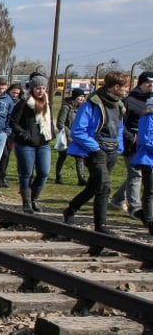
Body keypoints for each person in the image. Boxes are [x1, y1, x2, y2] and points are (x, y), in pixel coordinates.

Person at [64, 70, 130, 233]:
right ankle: (101, 226)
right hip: (96, 150)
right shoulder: (92, 104)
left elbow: (119, 128)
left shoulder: (119, 105)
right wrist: (95, 148)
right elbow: (78, 130)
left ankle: (71, 209)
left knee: (94, 186)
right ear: (116, 87)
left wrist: (119, 147)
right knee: (104, 186)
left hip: (112, 150)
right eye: (125, 87)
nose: (127, 90)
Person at [8, 74, 55, 213]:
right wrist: (24, 134)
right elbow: (13, 121)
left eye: (43, 88)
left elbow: (49, 120)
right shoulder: (24, 102)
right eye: (38, 88)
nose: (41, 91)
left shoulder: (47, 102)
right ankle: (27, 202)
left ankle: (34, 198)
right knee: (26, 173)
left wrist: (51, 132)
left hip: (43, 143)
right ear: (32, 88)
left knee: (44, 172)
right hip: (26, 144)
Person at [109, 71, 153, 217]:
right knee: (136, 174)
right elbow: (121, 123)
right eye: (148, 82)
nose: (151, 85)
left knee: (137, 174)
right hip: (132, 143)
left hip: (147, 145)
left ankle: (117, 198)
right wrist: (131, 137)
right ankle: (135, 208)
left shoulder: (151, 99)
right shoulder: (129, 100)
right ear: (140, 83)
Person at [127, 102, 153, 233]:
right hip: (149, 159)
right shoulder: (148, 118)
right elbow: (147, 140)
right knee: (150, 191)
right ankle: (149, 220)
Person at [55, 88, 87, 185]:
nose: (81, 98)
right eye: (79, 96)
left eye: (83, 96)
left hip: (78, 137)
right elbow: (60, 123)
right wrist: (69, 134)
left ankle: (81, 179)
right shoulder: (66, 107)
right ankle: (58, 176)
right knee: (62, 156)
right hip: (67, 137)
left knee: (80, 156)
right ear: (75, 97)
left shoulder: (83, 108)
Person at [0, 83, 24, 188]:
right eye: (13, 93)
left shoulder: (21, 103)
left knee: (8, 155)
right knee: (4, 155)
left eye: (17, 93)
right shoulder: (4, 101)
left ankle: (3, 176)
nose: (15, 95)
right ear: (8, 91)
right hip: (3, 131)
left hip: (14, 133)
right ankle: (1, 177)